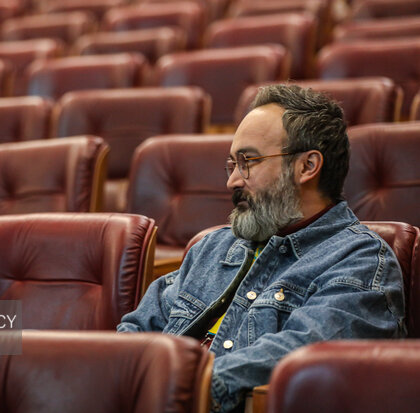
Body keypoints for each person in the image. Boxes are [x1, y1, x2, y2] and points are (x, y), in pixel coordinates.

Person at [117, 84, 406, 413]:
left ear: (307, 166)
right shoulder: (212, 247)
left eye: (248, 162)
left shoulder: (361, 262)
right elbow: (135, 332)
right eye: (233, 164)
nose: (233, 181)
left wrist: (157, 388)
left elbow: (298, 362)